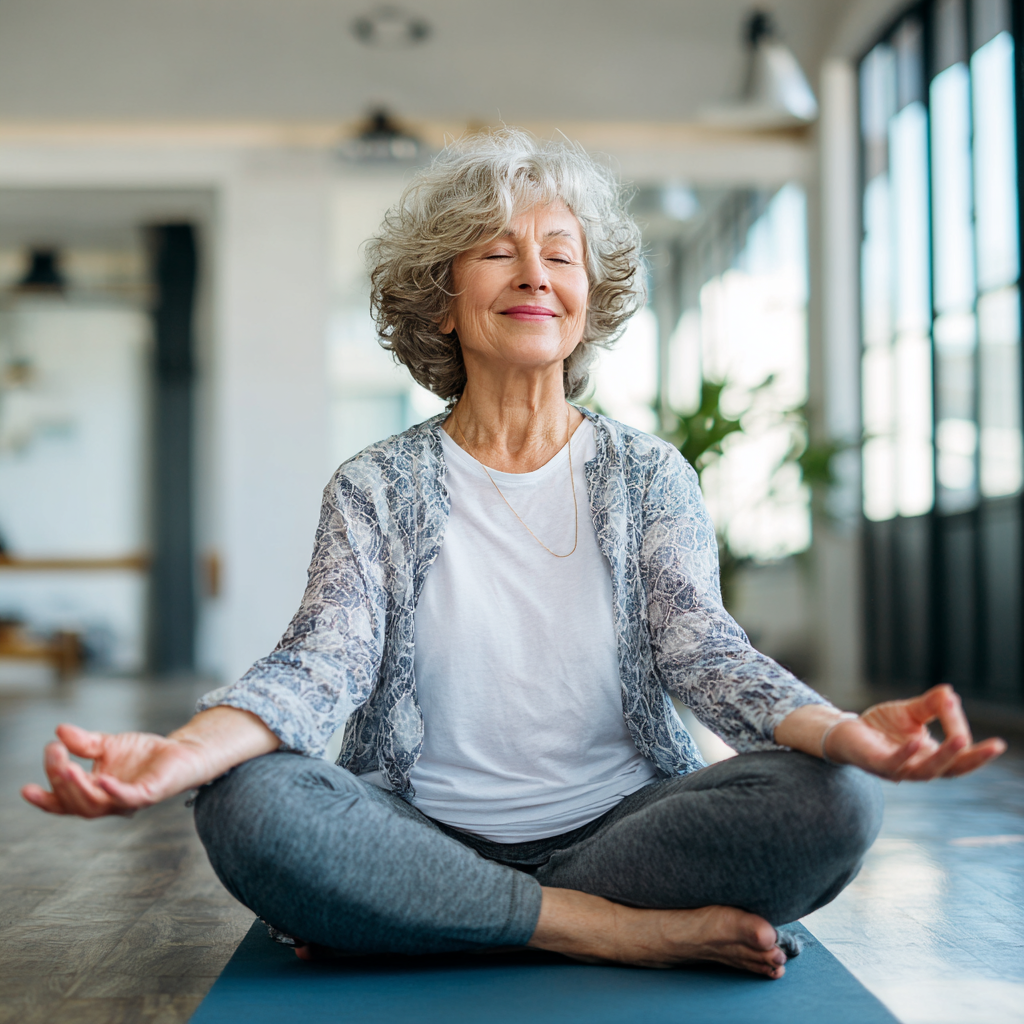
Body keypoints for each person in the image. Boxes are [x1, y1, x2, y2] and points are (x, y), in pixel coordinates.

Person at [23, 130, 1005, 980]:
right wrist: (172, 758)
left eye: (560, 254)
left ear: (588, 297)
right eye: (496, 251)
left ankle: (432, 915)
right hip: (421, 829)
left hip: (624, 835)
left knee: (832, 805)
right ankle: (606, 934)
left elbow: (703, 650)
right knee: (247, 802)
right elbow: (317, 670)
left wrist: (846, 733)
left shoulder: (647, 473)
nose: (534, 272)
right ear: (442, 302)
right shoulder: (375, 485)